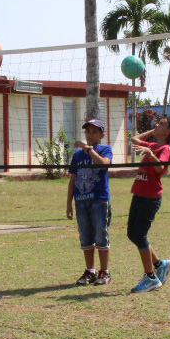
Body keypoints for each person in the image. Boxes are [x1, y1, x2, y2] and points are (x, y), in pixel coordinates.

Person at [127, 116, 170, 293]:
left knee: (140, 235)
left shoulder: (165, 148)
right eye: (158, 122)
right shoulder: (152, 145)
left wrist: (150, 155)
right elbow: (134, 139)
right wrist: (154, 131)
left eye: (162, 124)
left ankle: (150, 277)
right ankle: (159, 264)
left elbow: (160, 169)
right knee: (132, 234)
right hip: (139, 193)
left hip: (150, 198)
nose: (158, 124)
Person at [66, 119, 113, 286]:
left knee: (101, 235)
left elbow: (103, 164)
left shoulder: (105, 150)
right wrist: (68, 204)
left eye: (94, 132)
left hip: (99, 201)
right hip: (81, 201)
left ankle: (104, 272)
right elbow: (72, 180)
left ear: (102, 135)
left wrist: (88, 149)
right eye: (88, 131)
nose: (90, 135)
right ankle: (90, 271)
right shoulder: (77, 156)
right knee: (85, 237)